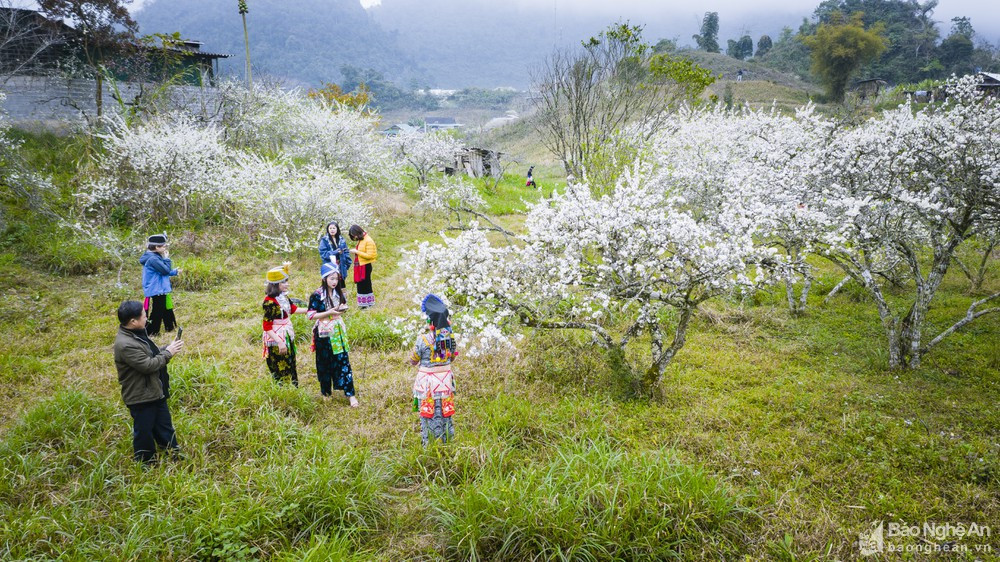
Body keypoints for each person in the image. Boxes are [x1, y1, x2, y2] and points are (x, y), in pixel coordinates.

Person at [113, 300, 184, 464]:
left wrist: (168, 347)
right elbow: (148, 365)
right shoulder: (125, 345)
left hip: (154, 390)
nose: (147, 318)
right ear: (133, 321)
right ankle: (145, 463)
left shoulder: (136, 333)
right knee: (144, 432)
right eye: (144, 315)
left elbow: (150, 354)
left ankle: (173, 454)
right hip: (141, 396)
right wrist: (168, 353)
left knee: (164, 425)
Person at [307, 263, 359, 406]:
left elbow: (342, 306)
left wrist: (341, 309)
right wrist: (328, 313)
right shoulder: (317, 295)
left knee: (343, 360)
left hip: (337, 331)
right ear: (324, 279)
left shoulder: (338, 293)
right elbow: (311, 315)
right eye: (331, 278)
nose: (334, 282)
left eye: (336, 278)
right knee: (324, 362)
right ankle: (326, 393)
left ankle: (350, 394)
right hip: (323, 333)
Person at [409, 294, 458, 445]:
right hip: (445, 383)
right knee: (445, 413)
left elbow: (413, 360)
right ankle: (447, 441)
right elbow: (452, 358)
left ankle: (429, 443)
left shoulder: (422, 340)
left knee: (429, 414)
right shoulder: (450, 339)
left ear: (429, 322)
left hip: (428, 385)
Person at [263, 262, 306, 386]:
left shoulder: (283, 297)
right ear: (275, 285)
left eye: (286, 281)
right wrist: (280, 342)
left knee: (290, 360)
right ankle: (283, 390)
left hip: (286, 334)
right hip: (276, 337)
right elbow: (266, 326)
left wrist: (312, 310)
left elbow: (293, 309)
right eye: (283, 282)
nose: (287, 284)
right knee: (280, 364)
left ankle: (293, 387)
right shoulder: (269, 302)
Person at [140, 234, 182, 336]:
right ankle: (152, 331)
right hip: (157, 288)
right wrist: (166, 258)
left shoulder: (153, 257)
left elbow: (162, 271)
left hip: (158, 287)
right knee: (157, 311)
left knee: (163, 308)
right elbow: (165, 270)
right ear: (156, 247)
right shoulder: (153, 259)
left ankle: (169, 327)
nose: (165, 248)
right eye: (163, 246)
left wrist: (175, 272)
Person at [348, 225, 377, 309]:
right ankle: (363, 304)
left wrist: (356, 252)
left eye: (354, 235)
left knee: (366, 284)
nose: (355, 237)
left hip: (365, 266)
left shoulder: (368, 240)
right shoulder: (362, 240)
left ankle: (368, 304)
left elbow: (371, 255)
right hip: (361, 265)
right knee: (361, 284)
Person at [318, 221, 351, 291]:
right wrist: (335, 252)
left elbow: (346, 252)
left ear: (337, 229)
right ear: (328, 229)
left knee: (341, 285)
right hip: (330, 266)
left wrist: (348, 263)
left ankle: (342, 298)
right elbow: (323, 254)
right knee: (330, 285)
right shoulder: (324, 240)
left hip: (340, 265)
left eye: (334, 228)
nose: (332, 230)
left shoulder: (341, 240)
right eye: (330, 228)